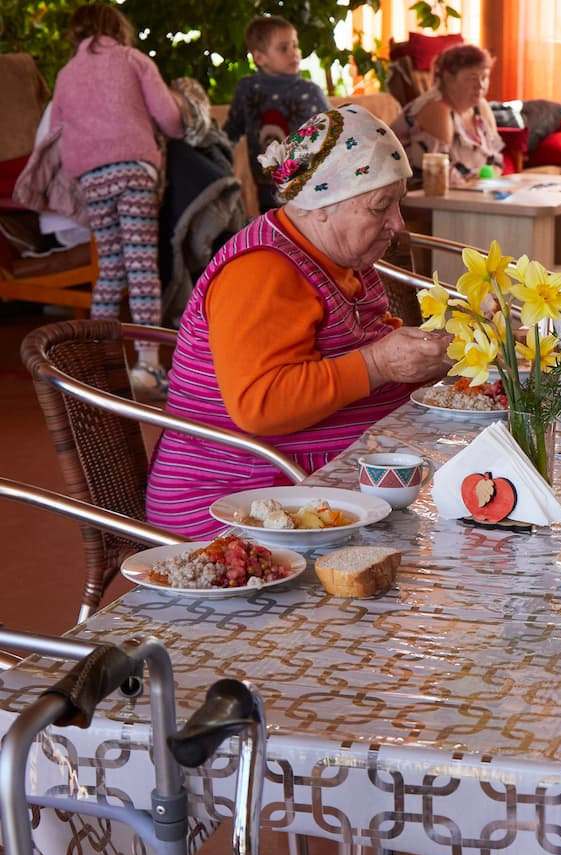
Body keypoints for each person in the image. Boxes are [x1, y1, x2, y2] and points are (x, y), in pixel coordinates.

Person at [147, 105, 451, 536]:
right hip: (243, 503)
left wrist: (432, 355)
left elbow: (359, 345)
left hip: (313, 485)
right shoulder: (262, 271)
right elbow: (260, 404)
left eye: (398, 204)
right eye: (381, 206)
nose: (397, 225)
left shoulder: (338, 255)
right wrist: (380, 364)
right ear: (321, 206)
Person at [49, 2, 186, 398]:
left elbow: (58, 129)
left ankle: (96, 365)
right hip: (133, 172)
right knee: (142, 266)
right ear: (117, 27)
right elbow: (171, 121)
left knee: (110, 269)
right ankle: (147, 366)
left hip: (92, 179)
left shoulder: (65, 74)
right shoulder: (133, 60)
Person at [225, 15, 331, 214]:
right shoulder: (248, 89)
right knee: (275, 234)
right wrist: (215, 157)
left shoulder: (310, 92)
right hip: (265, 187)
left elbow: (333, 132)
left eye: (294, 45)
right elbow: (232, 129)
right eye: (284, 48)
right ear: (259, 58)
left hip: (309, 188)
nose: (294, 53)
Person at [391, 43, 505, 186]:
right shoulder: (437, 110)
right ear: (448, 78)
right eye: (472, 77)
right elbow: (438, 177)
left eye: (484, 77)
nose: (480, 85)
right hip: (415, 198)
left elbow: (496, 161)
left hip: (466, 196)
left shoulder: (480, 107)